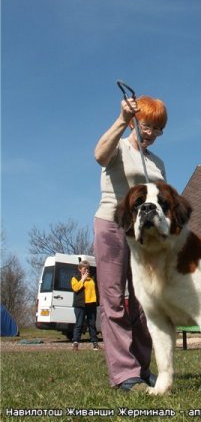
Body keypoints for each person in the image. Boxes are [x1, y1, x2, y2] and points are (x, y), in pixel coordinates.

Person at [94, 94, 167, 391]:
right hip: (112, 225)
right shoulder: (119, 148)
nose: (150, 133)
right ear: (136, 121)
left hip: (143, 235)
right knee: (113, 300)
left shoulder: (157, 162)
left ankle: (142, 366)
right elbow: (99, 155)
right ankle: (124, 374)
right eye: (147, 125)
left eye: (157, 129)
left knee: (143, 300)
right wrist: (122, 120)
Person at [71, 260, 99, 351]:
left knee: (92, 324)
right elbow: (75, 288)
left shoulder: (92, 279)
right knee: (79, 324)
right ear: (80, 269)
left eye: (88, 268)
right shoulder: (75, 278)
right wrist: (82, 279)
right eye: (84, 268)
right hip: (80, 305)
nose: (87, 270)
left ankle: (95, 344)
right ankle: (75, 344)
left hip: (91, 304)